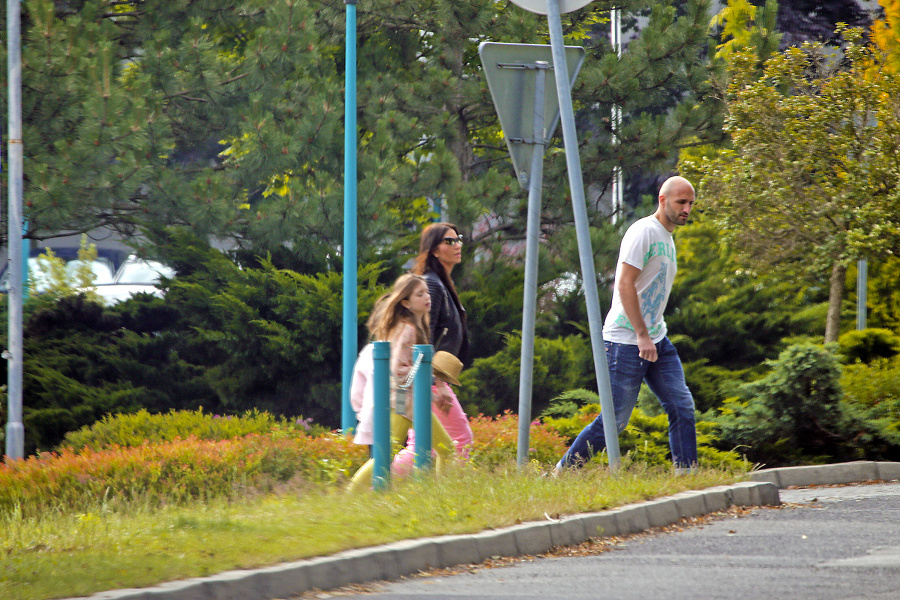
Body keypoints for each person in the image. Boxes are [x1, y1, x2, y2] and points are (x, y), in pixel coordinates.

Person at [555, 176, 699, 473]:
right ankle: (563, 473)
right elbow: (623, 284)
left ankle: (687, 473)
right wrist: (641, 335)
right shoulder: (644, 231)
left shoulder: (667, 237)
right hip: (625, 341)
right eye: (681, 202)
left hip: (657, 338)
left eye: (690, 204)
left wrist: (651, 335)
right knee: (616, 419)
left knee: (682, 405)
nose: (686, 209)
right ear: (662, 200)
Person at [347, 274, 455, 492]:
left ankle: (436, 495)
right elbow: (398, 369)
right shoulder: (408, 329)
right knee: (389, 456)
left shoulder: (411, 325)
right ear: (405, 302)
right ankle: (350, 495)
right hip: (404, 402)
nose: (427, 297)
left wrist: (431, 394)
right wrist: (431, 392)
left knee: (441, 450)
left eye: (427, 292)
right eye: (420, 294)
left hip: (409, 400)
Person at [392, 223, 473, 472]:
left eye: (458, 240)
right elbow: (424, 337)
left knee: (425, 446)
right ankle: (379, 483)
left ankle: (381, 483)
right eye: (450, 241)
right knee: (458, 441)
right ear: (435, 250)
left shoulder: (441, 283)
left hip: (425, 379)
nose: (457, 245)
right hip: (426, 380)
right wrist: (438, 385)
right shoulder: (433, 285)